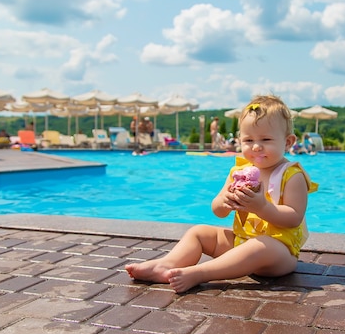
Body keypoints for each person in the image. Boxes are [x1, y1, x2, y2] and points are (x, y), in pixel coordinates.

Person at [126, 95, 317, 293]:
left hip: (278, 253)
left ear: (288, 142)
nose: (256, 146)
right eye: (248, 140)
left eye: (266, 139)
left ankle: (200, 273)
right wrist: (225, 202)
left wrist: (262, 207)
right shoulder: (238, 172)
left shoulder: (292, 175)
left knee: (262, 245)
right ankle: (166, 264)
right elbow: (218, 210)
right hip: (241, 241)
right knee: (198, 232)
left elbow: (294, 218)